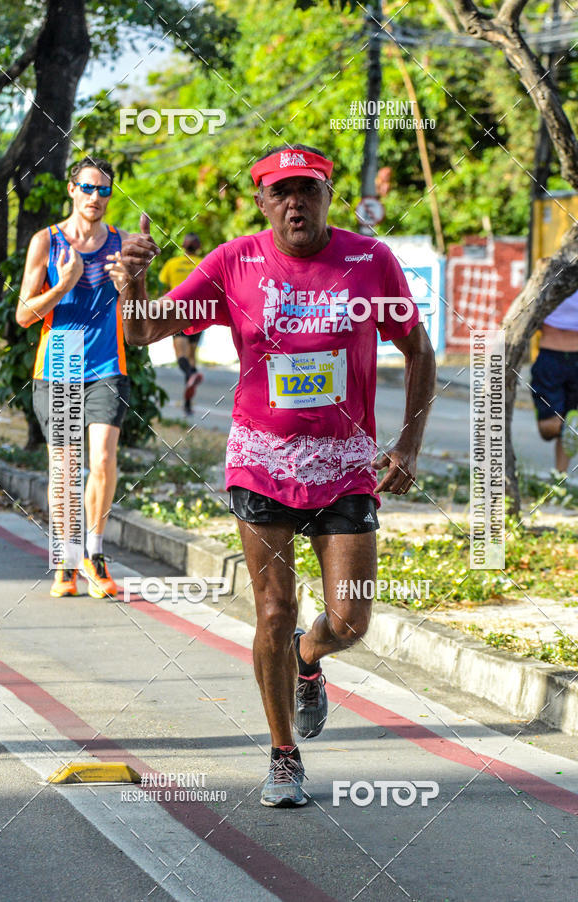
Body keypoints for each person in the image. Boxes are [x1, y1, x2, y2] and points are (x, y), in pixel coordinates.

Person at [115, 143, 436, 807]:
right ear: (263, 202)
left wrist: (406, 446)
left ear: (327, 195)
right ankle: (283, 754)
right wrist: (134, 284)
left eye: (308, 189)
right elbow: (145, 330)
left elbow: (419, 349)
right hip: (261, 461)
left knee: (350, 618)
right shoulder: (234, 262)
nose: (295, 202)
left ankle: (308, 659)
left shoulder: (368, 261)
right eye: (281, 191)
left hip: (346, 467)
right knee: (271, 608)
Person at [17, 156, 130, 599]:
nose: (95, 198)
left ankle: (94, 552)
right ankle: (65, 558)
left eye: (103, 190)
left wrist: (133, 280)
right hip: (60, 361)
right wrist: (62, 286)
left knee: (101, 459)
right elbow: (25, 315)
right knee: (64, 468)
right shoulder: (46, 241)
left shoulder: (121, 243)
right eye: (87, 188)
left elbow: (139, 309)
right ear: (71, 189)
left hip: (106, 363)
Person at [530, 288, 578, 471]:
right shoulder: (550, 279)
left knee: (558, 427)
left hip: (559, 358)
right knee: (553, 429)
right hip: (552, 358)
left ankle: (559, 479)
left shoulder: (550, 278)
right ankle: (571, 427)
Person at [159, 234, 205, 414]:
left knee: (181, 356)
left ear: (183, 246)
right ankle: (188, 404)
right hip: (200, 313)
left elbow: (162, 287)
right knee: (192, 356)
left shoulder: (172, 263)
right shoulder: (203, 263)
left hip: (177, 312)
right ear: (199, 247)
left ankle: (190, 374)